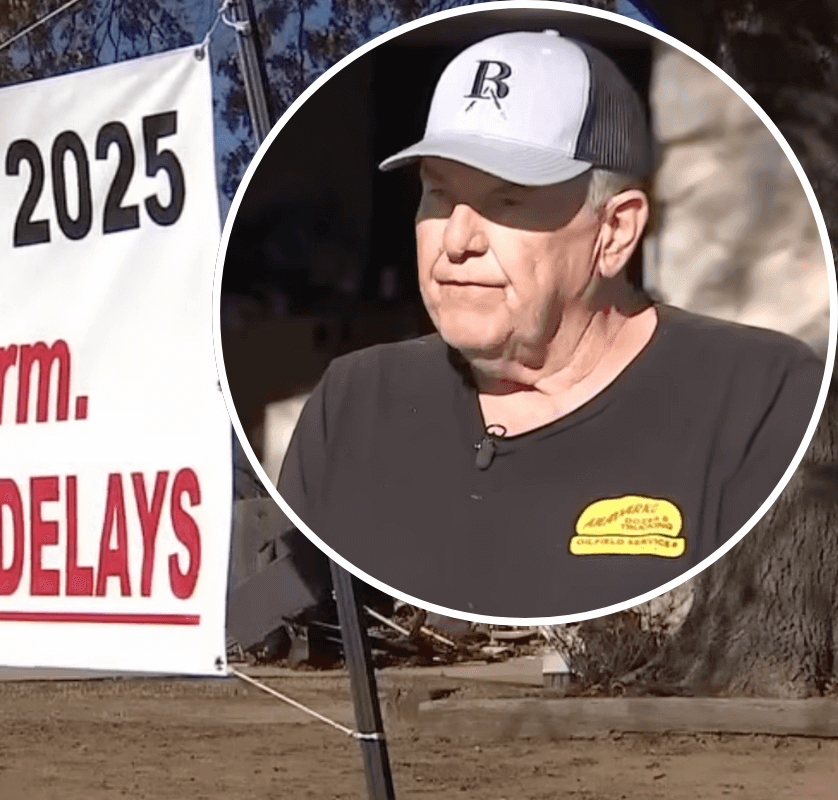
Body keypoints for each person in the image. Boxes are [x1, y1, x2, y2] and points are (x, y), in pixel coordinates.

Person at [275, 29, 827, 618]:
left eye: (506, 202)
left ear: (613, 232)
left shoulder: (759, 397)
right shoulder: (356, 402)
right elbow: (278, 636)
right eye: (437, 196)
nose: (457, 240)